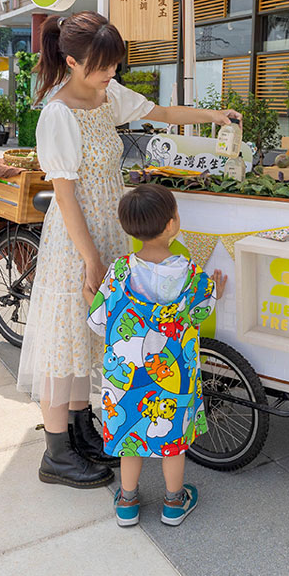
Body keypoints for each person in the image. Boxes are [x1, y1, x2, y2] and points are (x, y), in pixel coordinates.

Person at [18, 11, 239, 489]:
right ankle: (55, 453)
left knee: (93, 337)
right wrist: (91, 259)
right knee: (65, 341)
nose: (110, 74)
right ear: (72, 61)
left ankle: (81, 433)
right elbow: (66, 195)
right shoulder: (57, 114)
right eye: (101, 67)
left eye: (115, 64)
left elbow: (160, 114)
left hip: (108, 226)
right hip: (75, 239)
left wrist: (214, 116)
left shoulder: (107, 95)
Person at [88, 184, 225, 526]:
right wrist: (216, 292)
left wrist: (86, 293)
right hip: (172, 381)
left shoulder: (118, 273)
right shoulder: (191, 276)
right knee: (172, 445)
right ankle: (174, 504)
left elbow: (98, 321)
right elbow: (199, 313)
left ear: (127, 227)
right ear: (172, 224)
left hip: (126, 382)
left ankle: (127, 503)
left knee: (129, 442)